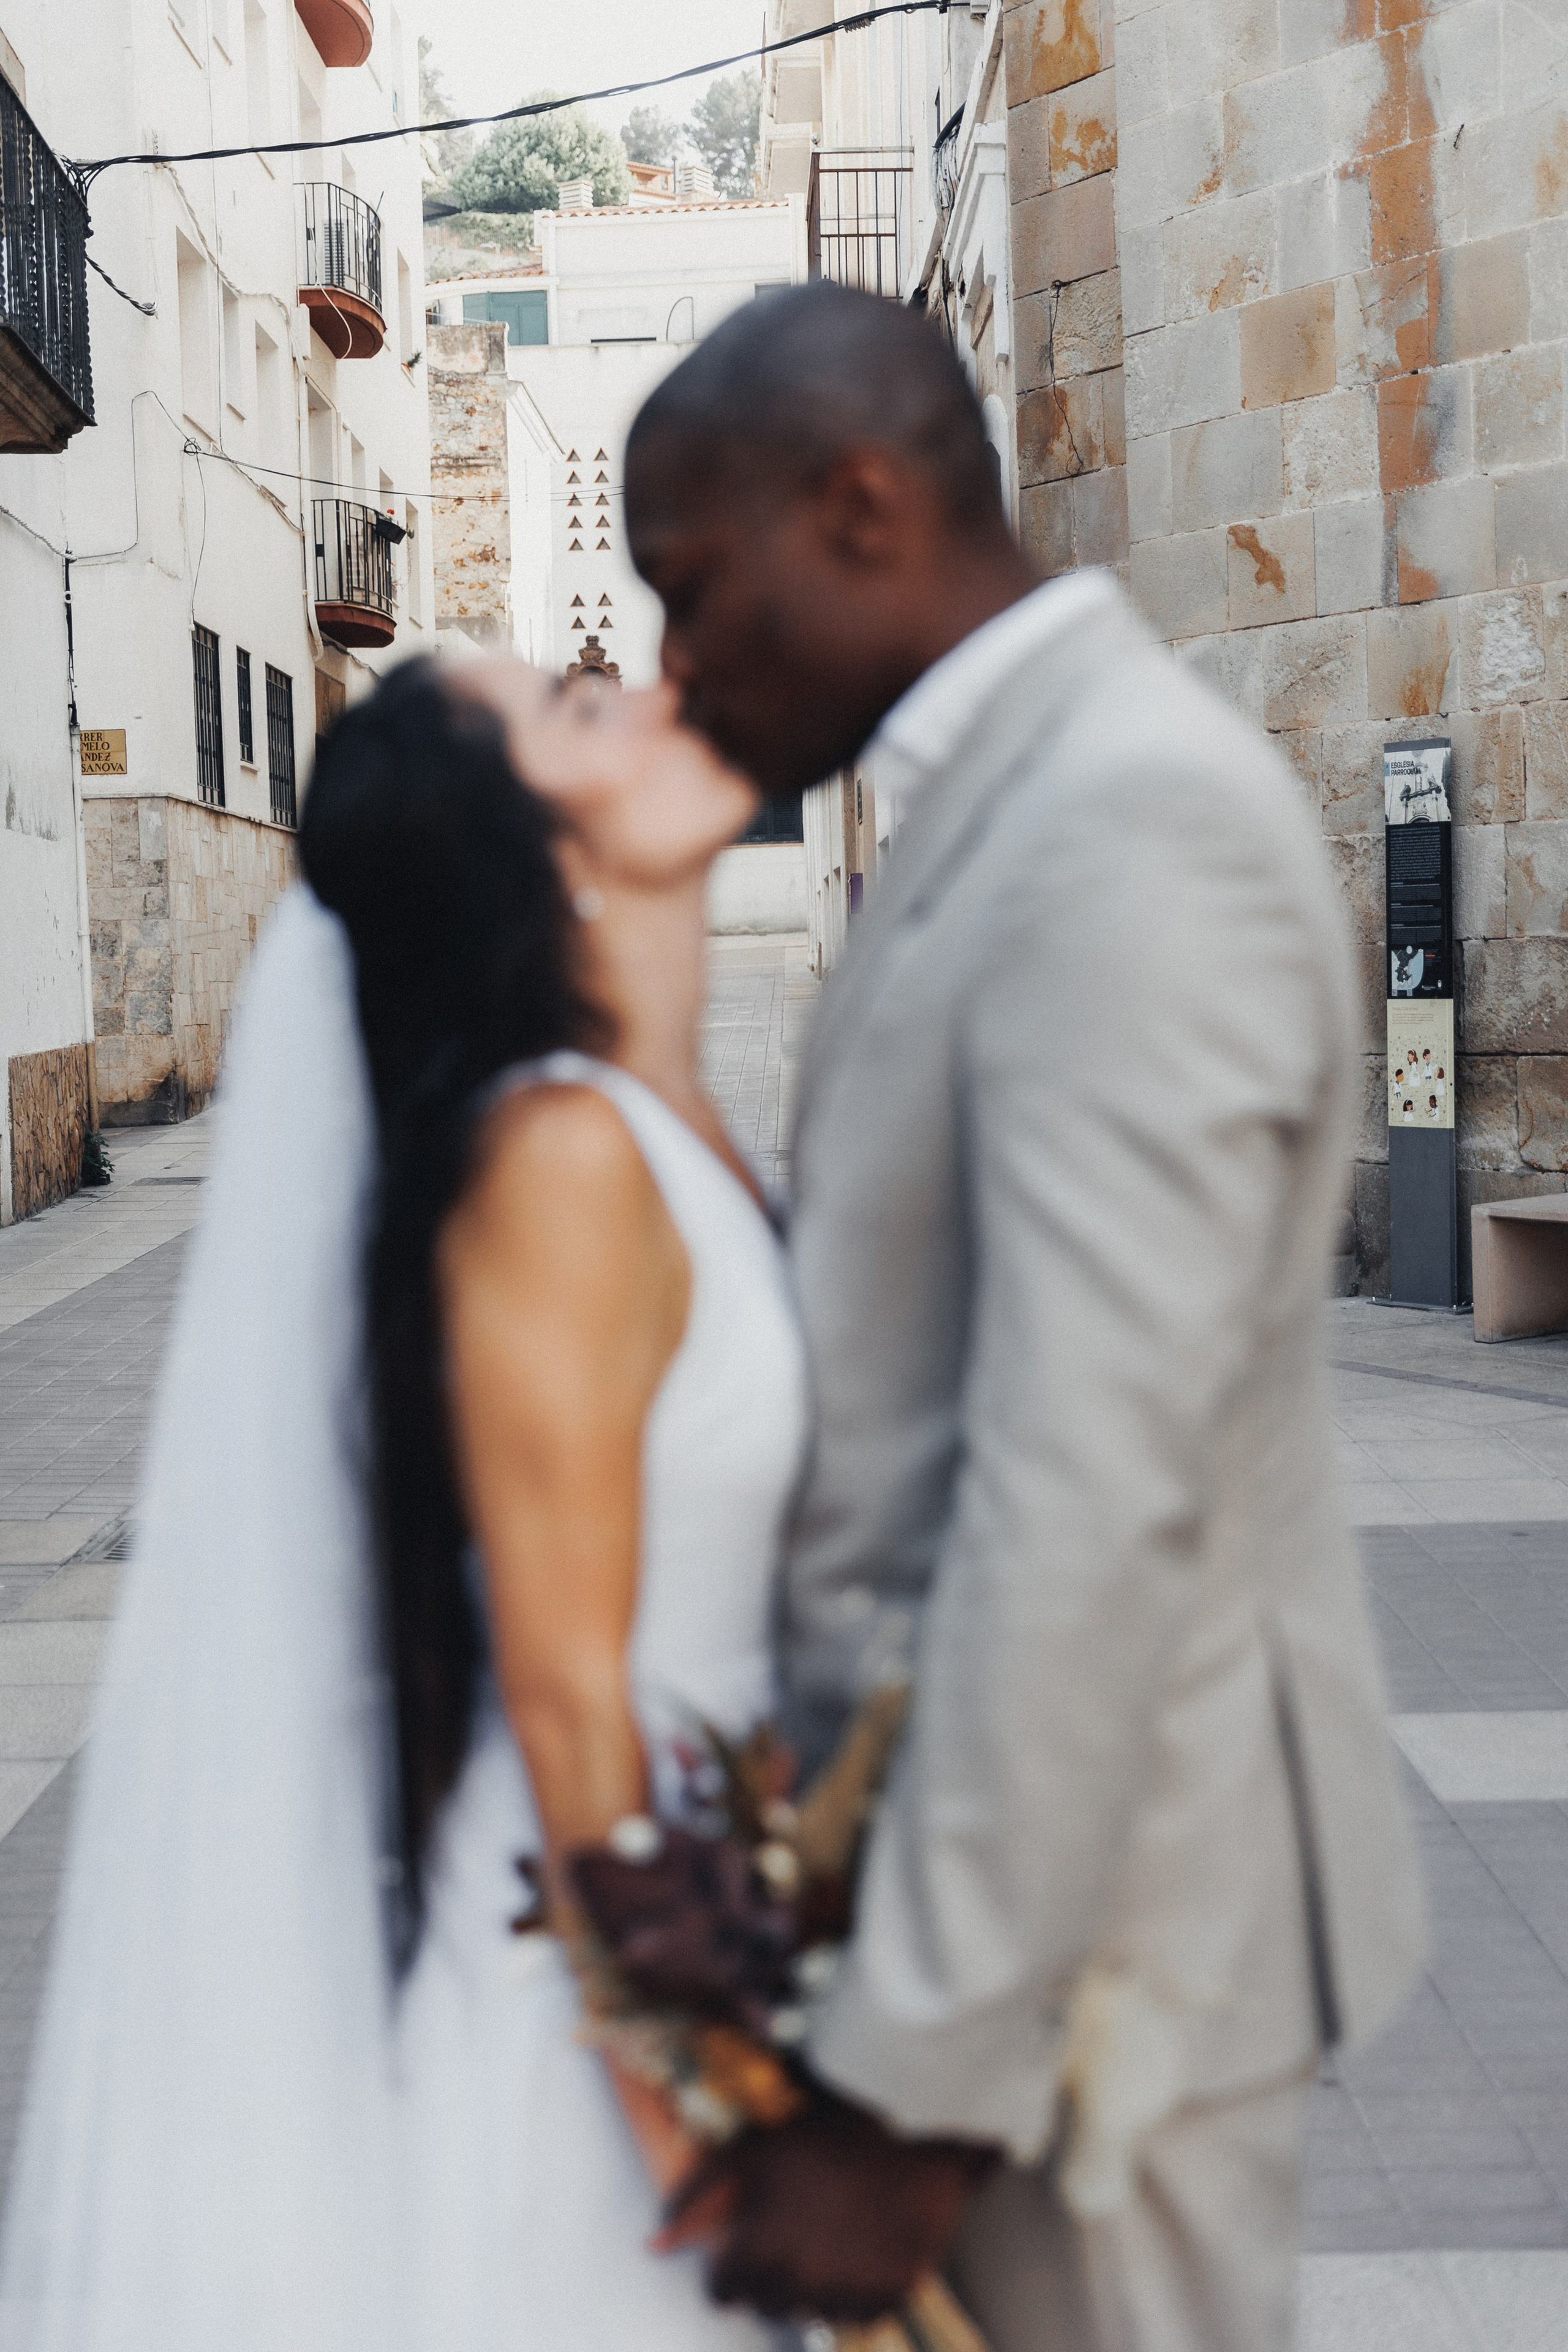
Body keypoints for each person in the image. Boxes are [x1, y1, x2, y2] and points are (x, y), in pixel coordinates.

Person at [617, 280, 1426, 2352]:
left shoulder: (1126, 827)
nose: (678, 658)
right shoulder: (1005, 804)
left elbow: (1089, 1496)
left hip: (1093, 1994)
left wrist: (908, 2083)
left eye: (697, 585)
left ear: (865, 505)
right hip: (1003, 1934)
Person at [0, 662, 818, 2350]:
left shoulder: (653, 1131)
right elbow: (569, 1691)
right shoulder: (560, 1164)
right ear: (531, 855)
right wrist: (706, 2124)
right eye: (585, 716)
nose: (666, 696)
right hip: (607, 2023)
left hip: (706, 1927)